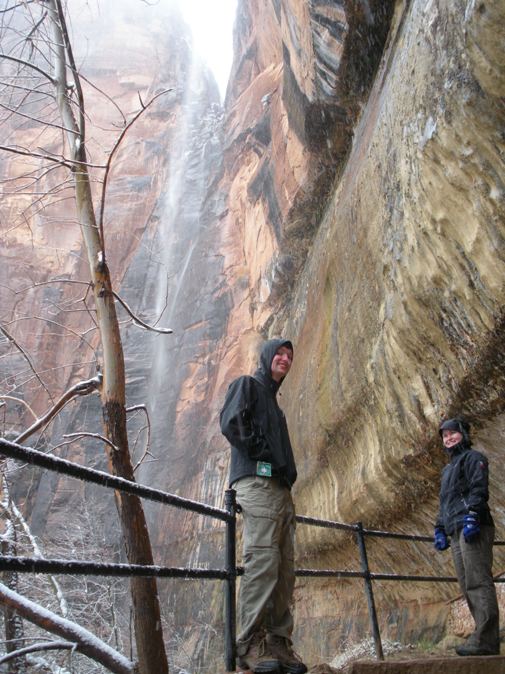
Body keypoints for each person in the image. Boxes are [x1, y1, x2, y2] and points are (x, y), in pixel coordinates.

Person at [220, 338, 307, 674]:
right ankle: (248, 643)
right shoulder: (248, 385)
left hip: (279, 489)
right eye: (279, 354)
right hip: (257, 482)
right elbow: (232, 423)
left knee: (284, 568)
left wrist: (287, 472)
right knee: (263, 559)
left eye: (289, 356)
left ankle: (277, 642)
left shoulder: (274, 403)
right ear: (267, 357)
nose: (284, 359)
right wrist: (264, 454)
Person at [434, 416, 500, 656]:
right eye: (445, 435)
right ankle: (483, 636)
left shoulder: (474, 458)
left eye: (453, 433)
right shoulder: (448, 469)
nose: (449, 438)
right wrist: (440, 527)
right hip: (455, 529)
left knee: (478, 580)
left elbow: (479, 489)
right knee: (466, 583)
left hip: (474, 526)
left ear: (463, 433)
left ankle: (486, 639)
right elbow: (445, 502)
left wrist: (473, 514)